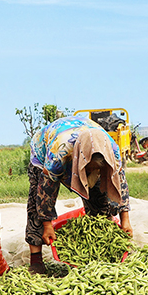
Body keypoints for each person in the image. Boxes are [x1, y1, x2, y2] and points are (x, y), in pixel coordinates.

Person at [26, 116, 133, 274]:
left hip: (83, 142)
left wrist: (125, 220)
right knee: (36, 202)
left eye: (95, 169)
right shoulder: (58, 153)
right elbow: (46, 191)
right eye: (88, 168)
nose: (90, 172)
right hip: (45, 150)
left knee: (99, 202)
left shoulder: (112, 150)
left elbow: (120, 184)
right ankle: (36, 260)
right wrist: (47, 225)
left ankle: (99, 252)